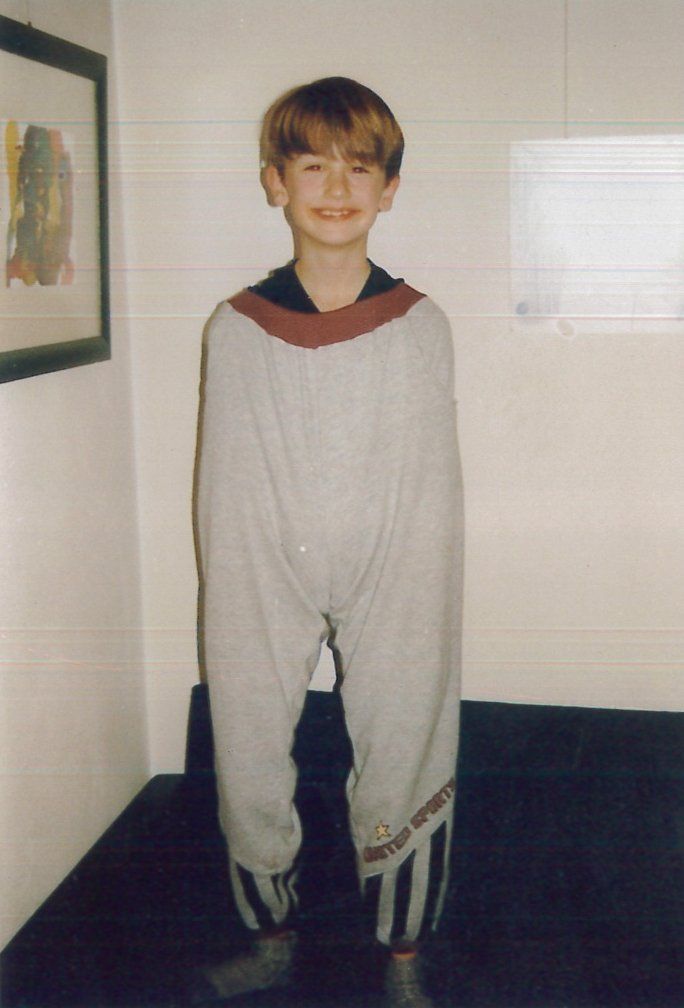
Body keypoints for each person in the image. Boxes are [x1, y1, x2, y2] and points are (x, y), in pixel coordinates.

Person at [193, 76, 464, 1007]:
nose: (336, 188)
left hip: (396, 561)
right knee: (247, 738)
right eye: (312, 166)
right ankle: (269, 932)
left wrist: (408, 578)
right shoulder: (236, 328)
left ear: (389, 188)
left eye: (359, 168)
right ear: (276, 182)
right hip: (261, 560)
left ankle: (404, 951)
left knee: (407, 734)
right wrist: (249, 578)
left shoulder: (420, 327)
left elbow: (430, 486)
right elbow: (226, 487)